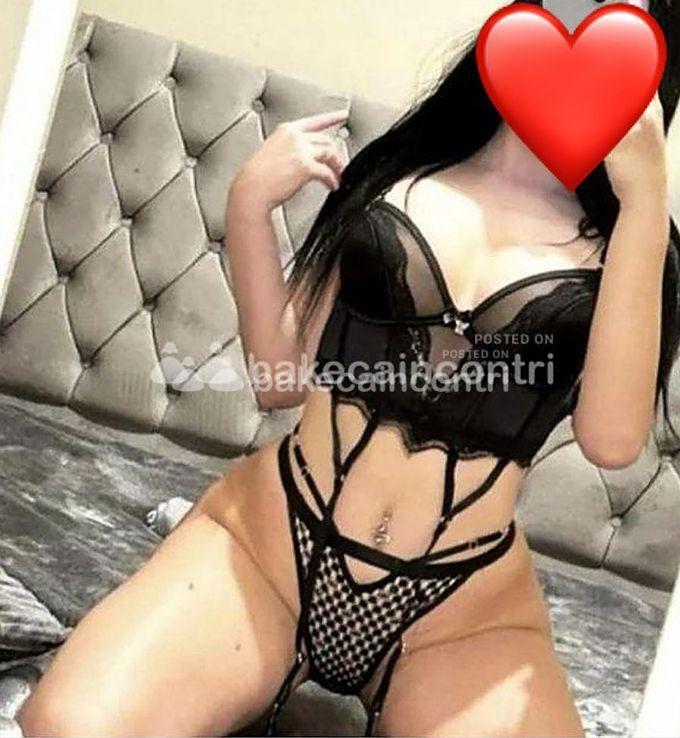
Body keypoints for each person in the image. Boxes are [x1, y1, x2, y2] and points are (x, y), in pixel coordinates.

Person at [18, 1, 680, 736]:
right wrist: (248, 203)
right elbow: (278, 378)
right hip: (273, 544)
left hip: (462, 611)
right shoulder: (398, 175)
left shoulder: (633, 243)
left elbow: (612, 441)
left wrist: (646, 199)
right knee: (66, 726)